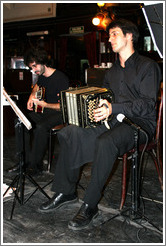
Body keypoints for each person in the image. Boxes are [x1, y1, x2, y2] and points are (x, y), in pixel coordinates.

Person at [38, 19, 161, 230]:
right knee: (70, 133)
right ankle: (66, 191)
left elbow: (147, 106)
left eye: (114, 34)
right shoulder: (112, 71)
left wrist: (114, 108)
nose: (110, 39)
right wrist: (93, 111)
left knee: (106, 141)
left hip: (139, 125)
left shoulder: (148, 67)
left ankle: (90, 205)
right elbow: (105, 98)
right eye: (110, 35)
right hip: (112, 121)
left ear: (129, 36)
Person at [18, 48, 69, 175]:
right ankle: (23, 161)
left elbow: (64, 106)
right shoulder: (42, 77)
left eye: (35, 66)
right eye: (31, 67)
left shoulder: (61, 78)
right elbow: (37, 86)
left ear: (42, 61)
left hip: (60, 113)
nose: (33, 70)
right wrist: (31, 96)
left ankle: (35, 165)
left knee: (40, 127)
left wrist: (45, 104)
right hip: (46, 111)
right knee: (20, 121)